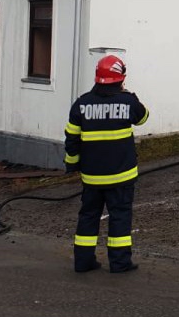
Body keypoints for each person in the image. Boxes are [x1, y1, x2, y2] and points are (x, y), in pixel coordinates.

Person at [64, 54, 149, 273]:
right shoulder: (128, 101)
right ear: (121, 78)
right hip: (121, 175)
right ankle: (120, 263)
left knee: (88, 216)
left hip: (92, 177)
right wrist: (131, 96)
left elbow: (71, 139)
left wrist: (72, 165)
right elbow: (143, 117)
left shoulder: (81, 103)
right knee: (120, 217)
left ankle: (83, 262)